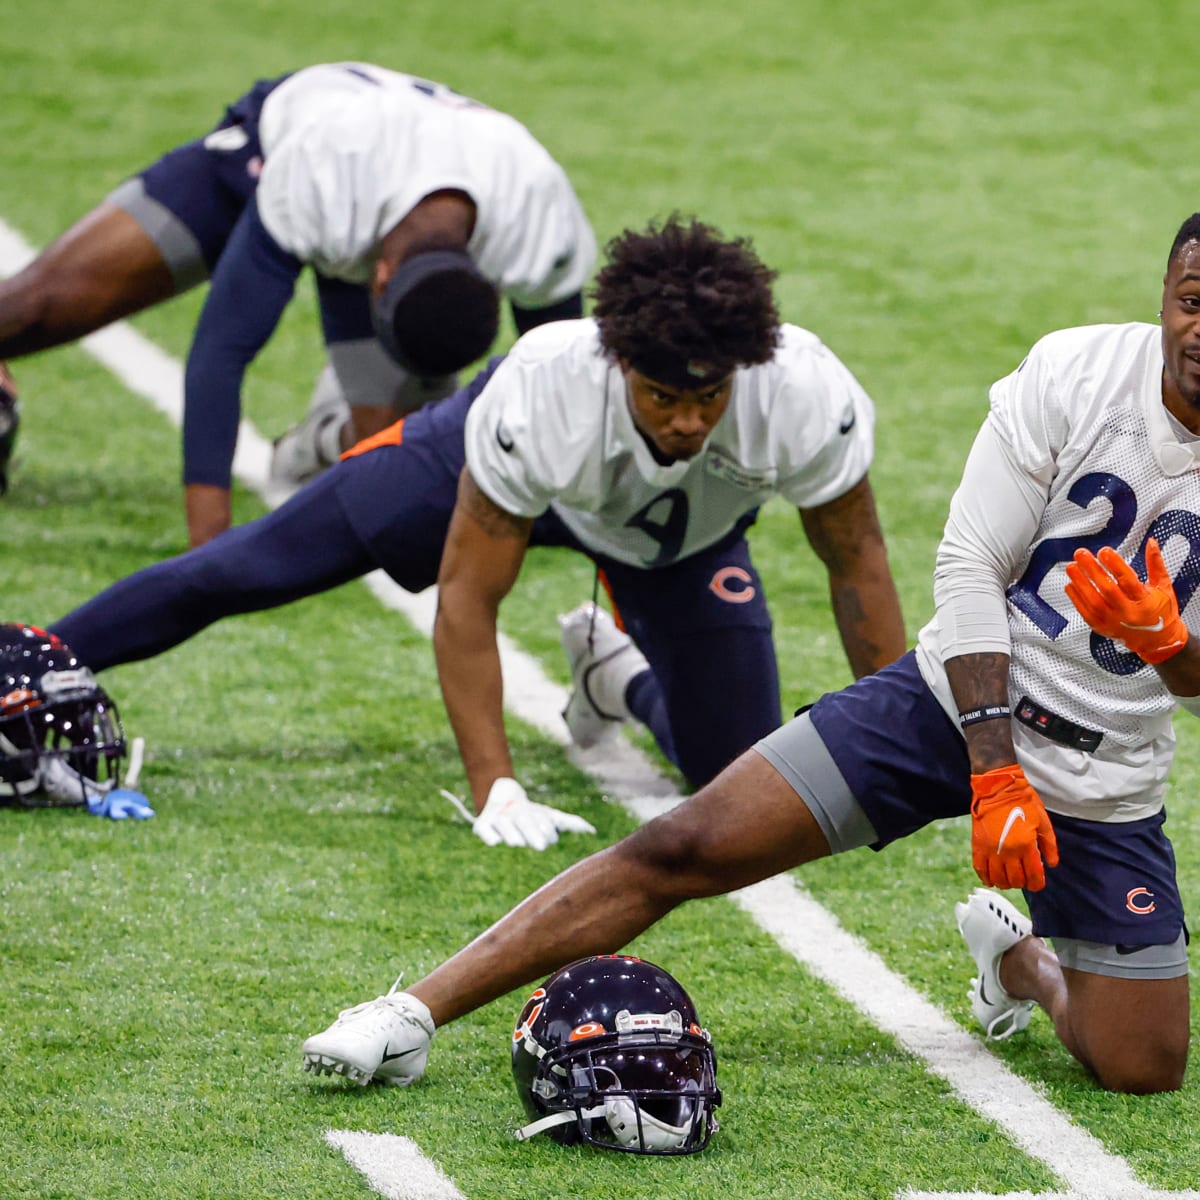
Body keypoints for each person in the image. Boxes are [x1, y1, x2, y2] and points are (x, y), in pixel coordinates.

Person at [300, 214, 1200, 1097]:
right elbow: (968, 567)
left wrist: (1169, 644)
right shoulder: (1074, 372)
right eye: (1195, 300)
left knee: (1141, 1067)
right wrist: (993, 770)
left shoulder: (811, 396)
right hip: (948, 699)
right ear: (1163, 295)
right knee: (682, 844)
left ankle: (1021, 965)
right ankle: (409, 1014)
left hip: (1105, 766)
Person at [48, 215, 906, 848]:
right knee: (246, 567)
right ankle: (31, 665)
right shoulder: (544, 392)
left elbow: (856, 560)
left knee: (735, 774)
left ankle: (617, 677)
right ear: (617, 363)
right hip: (484, 465)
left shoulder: (803, 396)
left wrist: (898, 744)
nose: (686, 422)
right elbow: (468, 593)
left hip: (675, 539)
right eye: (661, 397)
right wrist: (495, 785)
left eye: (707, 397)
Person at [0, 62, 596, 546]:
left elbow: (564, 385)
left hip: (381, 202)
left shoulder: (538, 217)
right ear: (379, 279)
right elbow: (221, 348)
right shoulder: (324, 176)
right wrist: (208, 550)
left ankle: (317, 439)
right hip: (269, 150)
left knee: (394, 462)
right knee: (38, 307)